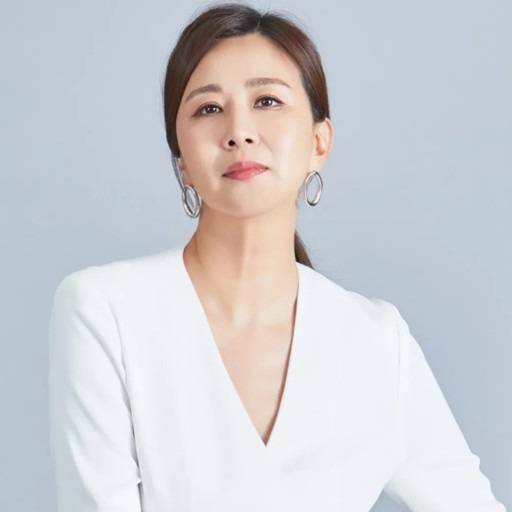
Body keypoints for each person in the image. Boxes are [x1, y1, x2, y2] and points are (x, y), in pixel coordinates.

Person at [48, 3, 507, 511]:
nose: (239, 131)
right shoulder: (106, 311)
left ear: (319, 142)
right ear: (182, 162)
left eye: (267, 100)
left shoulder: (377, 341)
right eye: (208, 109)